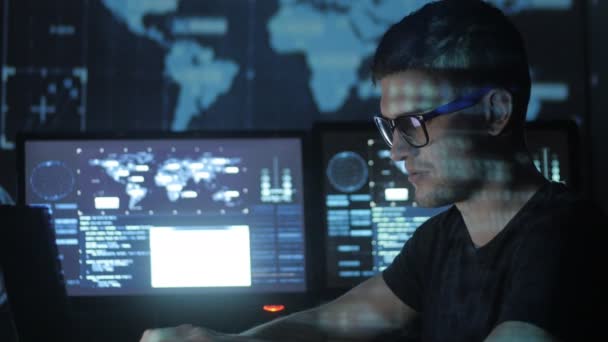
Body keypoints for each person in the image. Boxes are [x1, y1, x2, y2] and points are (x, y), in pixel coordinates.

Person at [140, 1, 604, 341]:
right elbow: (334, 320)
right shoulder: (442, 239)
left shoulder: (566, 233)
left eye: (414, 124)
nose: (397, 150)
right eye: (391, 128)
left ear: (494, 113)